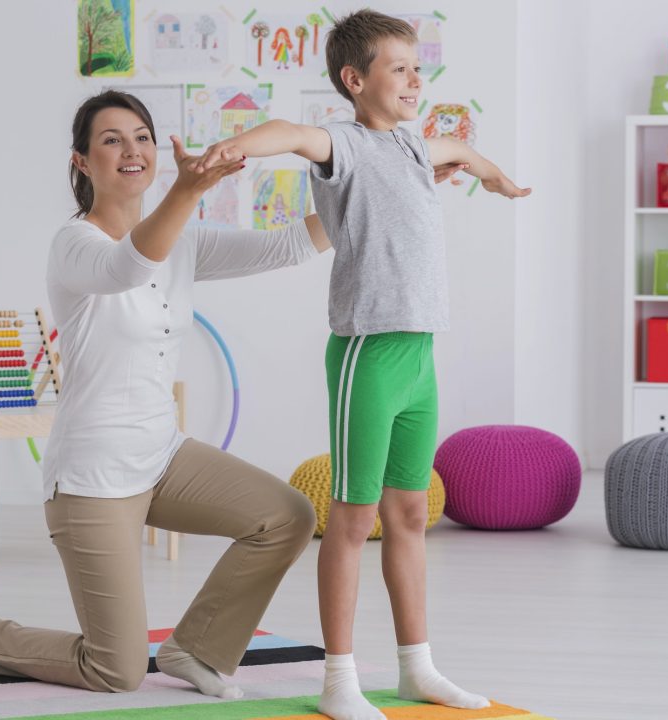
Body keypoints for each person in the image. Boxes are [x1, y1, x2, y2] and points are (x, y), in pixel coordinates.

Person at [0, 89, 466, 699]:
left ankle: (196, 649)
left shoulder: (183, 240)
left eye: (142, 138)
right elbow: (128, 266)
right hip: (91, 477)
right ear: (81, 161)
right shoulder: (74, 245)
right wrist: (187, 190)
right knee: (116, 669)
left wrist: (388, 190)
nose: (132, 150)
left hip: (162, 457)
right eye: (111, 140)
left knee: (287, 516)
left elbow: (288, 245)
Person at [194, 10, 531, 720]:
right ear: (354, 79)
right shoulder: (341, 145)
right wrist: (234, 146)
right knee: (351, 518)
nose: (414, 80)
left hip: (420, 355)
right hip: (367, 354)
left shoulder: (409, 145)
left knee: (408, 511)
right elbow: (288, 134)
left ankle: (417, 669)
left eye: (417, 68)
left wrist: (493, 174)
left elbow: (456, 149)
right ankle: (338, 680)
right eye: (398, 68)